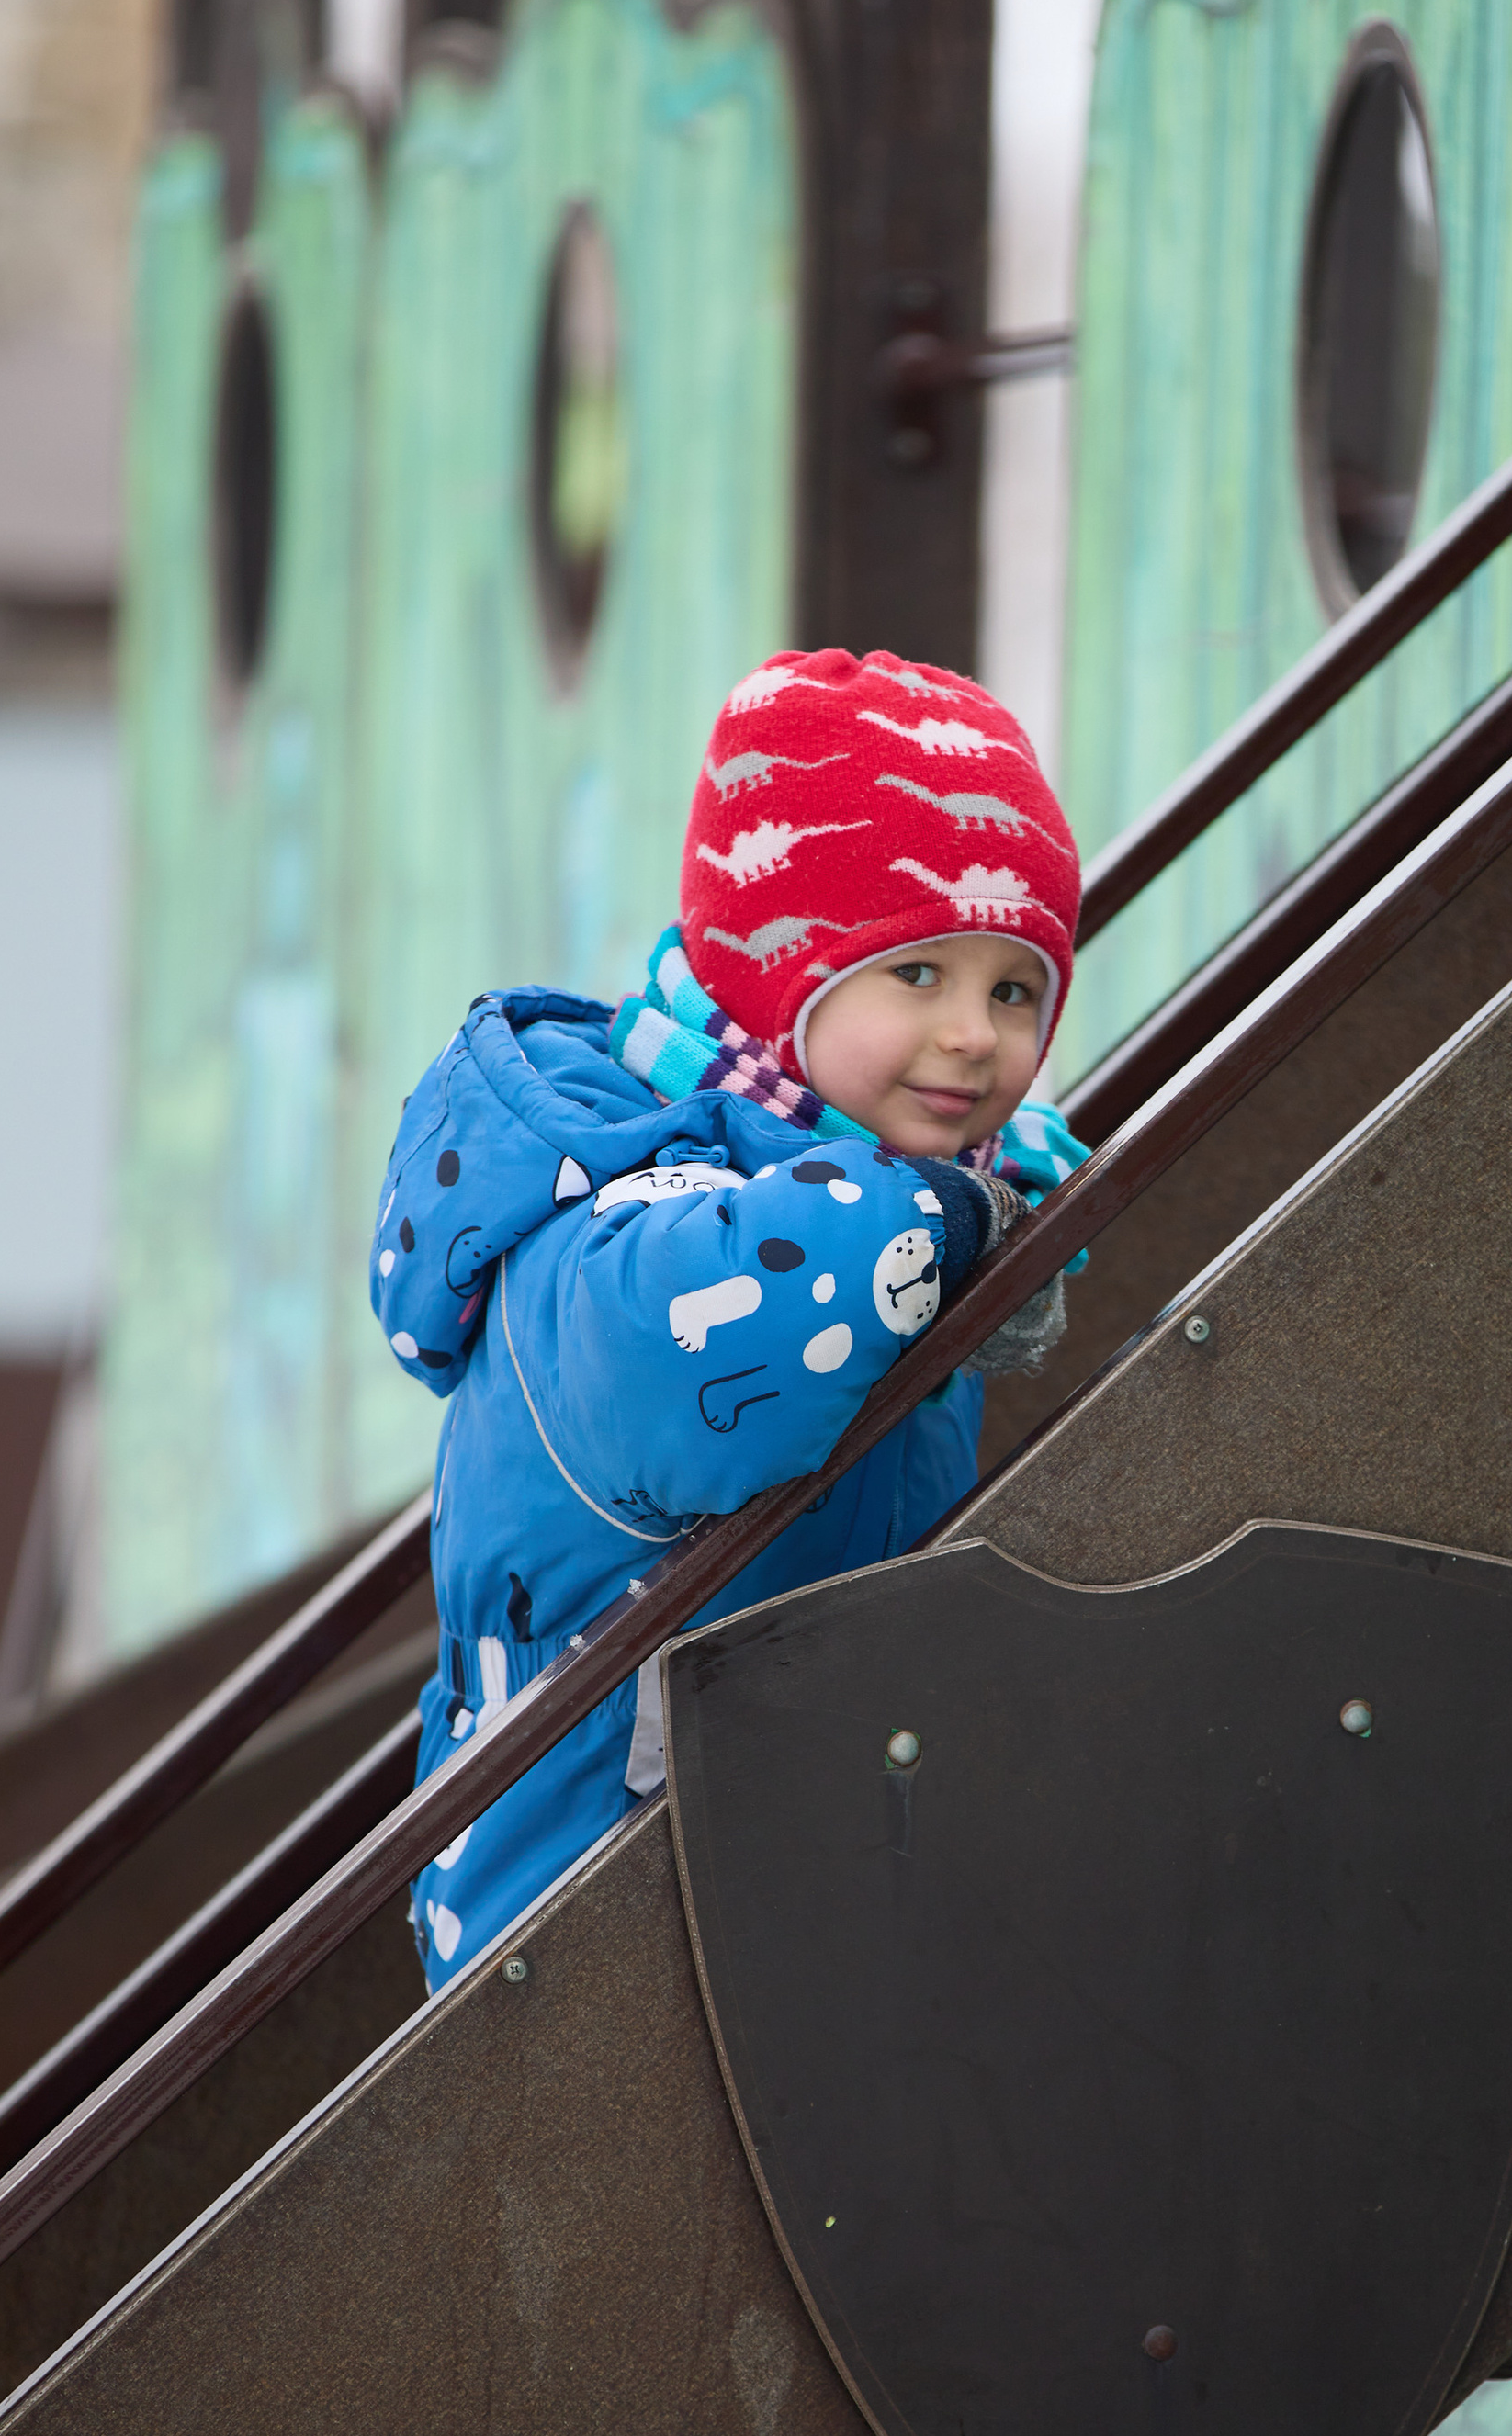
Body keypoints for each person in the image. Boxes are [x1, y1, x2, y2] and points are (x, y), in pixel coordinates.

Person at [372, 646, 1086, 1986]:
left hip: (774, 1850)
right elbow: (709, 1341)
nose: (976, 1038)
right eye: (916, 975)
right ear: (775, 975)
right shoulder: (648, 1203)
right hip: (586, 1890)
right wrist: (965, 1220)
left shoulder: (878, 1180)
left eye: (1014, 988)